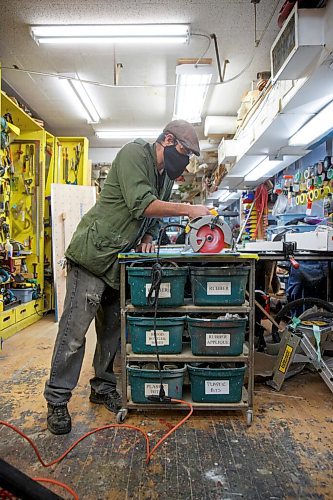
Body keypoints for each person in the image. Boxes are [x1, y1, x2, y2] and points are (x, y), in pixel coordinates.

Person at [44, 119, 210, 434]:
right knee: (74, 334)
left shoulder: (165, 178)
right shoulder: (135, 153)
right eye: (184, 152)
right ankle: (57, 400)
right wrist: (188, 209)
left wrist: (150, 235)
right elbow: (142, 204)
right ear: (167, 139)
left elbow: (152, 218)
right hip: (94, 255)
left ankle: (102, 387)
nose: (186, 162)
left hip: (119, 261)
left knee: (111, 334)